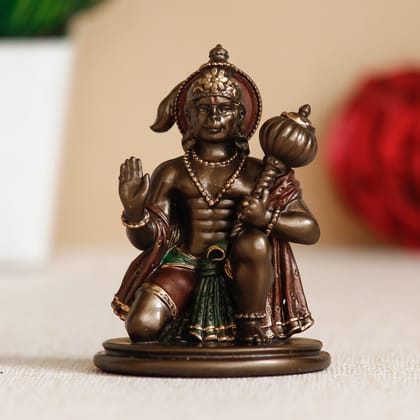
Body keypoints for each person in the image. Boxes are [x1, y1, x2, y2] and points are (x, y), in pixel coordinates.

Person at [111, 45, 320, 344]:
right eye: (203, 110)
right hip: (184, 264)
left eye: (224, 109)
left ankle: (250, 324)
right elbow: (149, 241)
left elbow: (310, 230)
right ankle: (181, 330)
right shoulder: (172, 172)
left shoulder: (257, 173)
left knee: (254, 242)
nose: (213, 117)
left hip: (238, 270)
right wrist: (134, 212)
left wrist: (266, 218)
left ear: (240, 117)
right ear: (188, 116)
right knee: (141, 326)